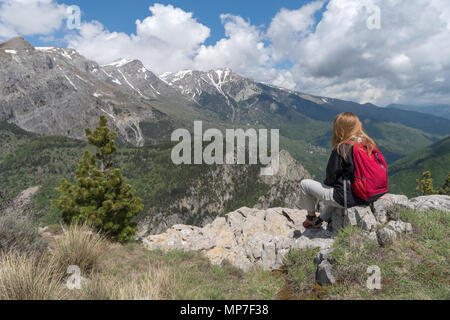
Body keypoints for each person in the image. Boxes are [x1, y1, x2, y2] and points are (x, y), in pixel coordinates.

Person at [299, 112, 377, 228]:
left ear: (339, 129)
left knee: (304, 184)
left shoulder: (342, 148)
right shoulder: (368, 145)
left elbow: (331, 177)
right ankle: (321, 219)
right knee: (339, 190)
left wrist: (330, 184)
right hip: (367, 195)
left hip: (349, 198)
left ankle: (311, 218)